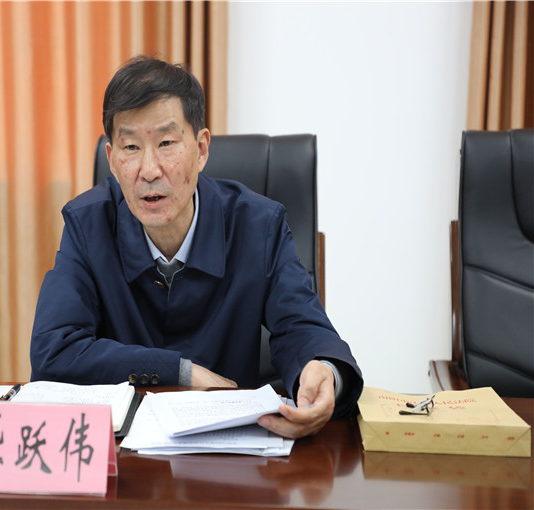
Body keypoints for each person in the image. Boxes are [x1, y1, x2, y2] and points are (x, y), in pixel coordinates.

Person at [31, 56, 363, 439]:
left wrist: (323, 370)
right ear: (112, 159)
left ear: (202, 148)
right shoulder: (88, 224)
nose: (149, 170)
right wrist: (180, 371)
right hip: (127, 455)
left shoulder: (257, 225)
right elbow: (53, 351)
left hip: (232, 450)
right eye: (131, 147)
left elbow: (302, 326)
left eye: (166, 143)